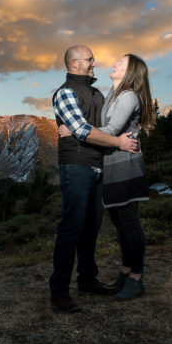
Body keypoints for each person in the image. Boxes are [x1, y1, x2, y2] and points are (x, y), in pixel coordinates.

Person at [50, 45, 139, 313]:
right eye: (89, 59)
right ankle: (59, 291)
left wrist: (78, 131)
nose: (94, 63)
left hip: (99, 167)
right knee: (71, 228)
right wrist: (115, 142)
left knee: (91, 228)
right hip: (76, 167)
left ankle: (87, 280)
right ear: (74, 64)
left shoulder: (97, 93)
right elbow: (83, 130)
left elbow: (102, 126)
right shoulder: (65, 92)